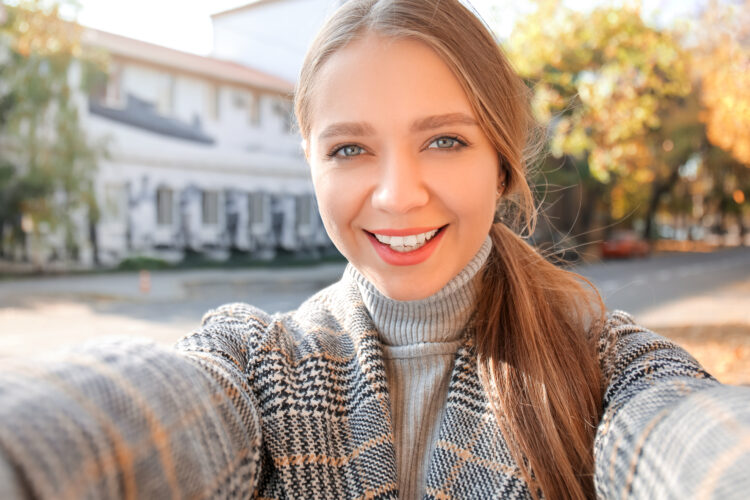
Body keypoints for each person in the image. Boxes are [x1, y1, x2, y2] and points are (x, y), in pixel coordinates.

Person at [1, 0, 749, 498]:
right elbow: (127, 421)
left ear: (501, 160)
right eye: (351, 149)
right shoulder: (261, 365)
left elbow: (696, 444)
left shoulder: (604, 364)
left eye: (445, 140)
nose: (396, 195)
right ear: (310, 162)